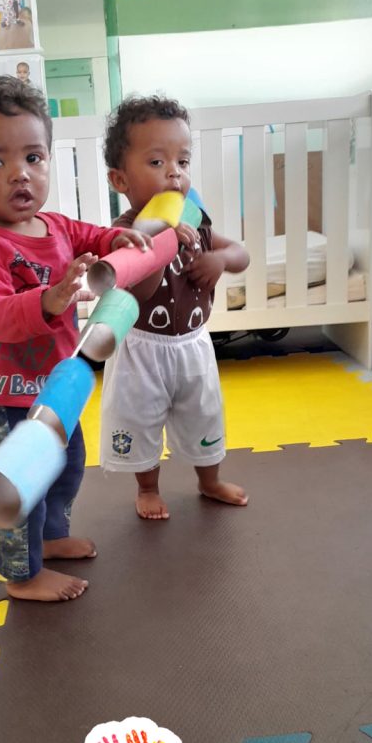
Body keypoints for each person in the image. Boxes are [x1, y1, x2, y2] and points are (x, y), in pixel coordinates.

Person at [0, 77, 150, 601]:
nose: (20, 173)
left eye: (33, 157)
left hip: (54, 388)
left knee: (67, 466)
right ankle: (22, 575)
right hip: (5, 396)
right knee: (22, 488)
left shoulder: (53, 225)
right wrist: (49, 300)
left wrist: (116, 237)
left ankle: (51, 539)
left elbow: (90, 235)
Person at [100, 95, 250, 520]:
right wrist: (160, 242)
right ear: (120, 179)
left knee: (204, 414)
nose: (174, 173)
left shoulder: (196, 220)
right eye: (156, 162)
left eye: (182, 161)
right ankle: (147, 488)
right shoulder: (124, 234)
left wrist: (219, 260)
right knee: (139, 419)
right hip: (142, 349)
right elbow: (139, 292)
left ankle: (209, 480)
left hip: (192, 345)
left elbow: (240, 253)